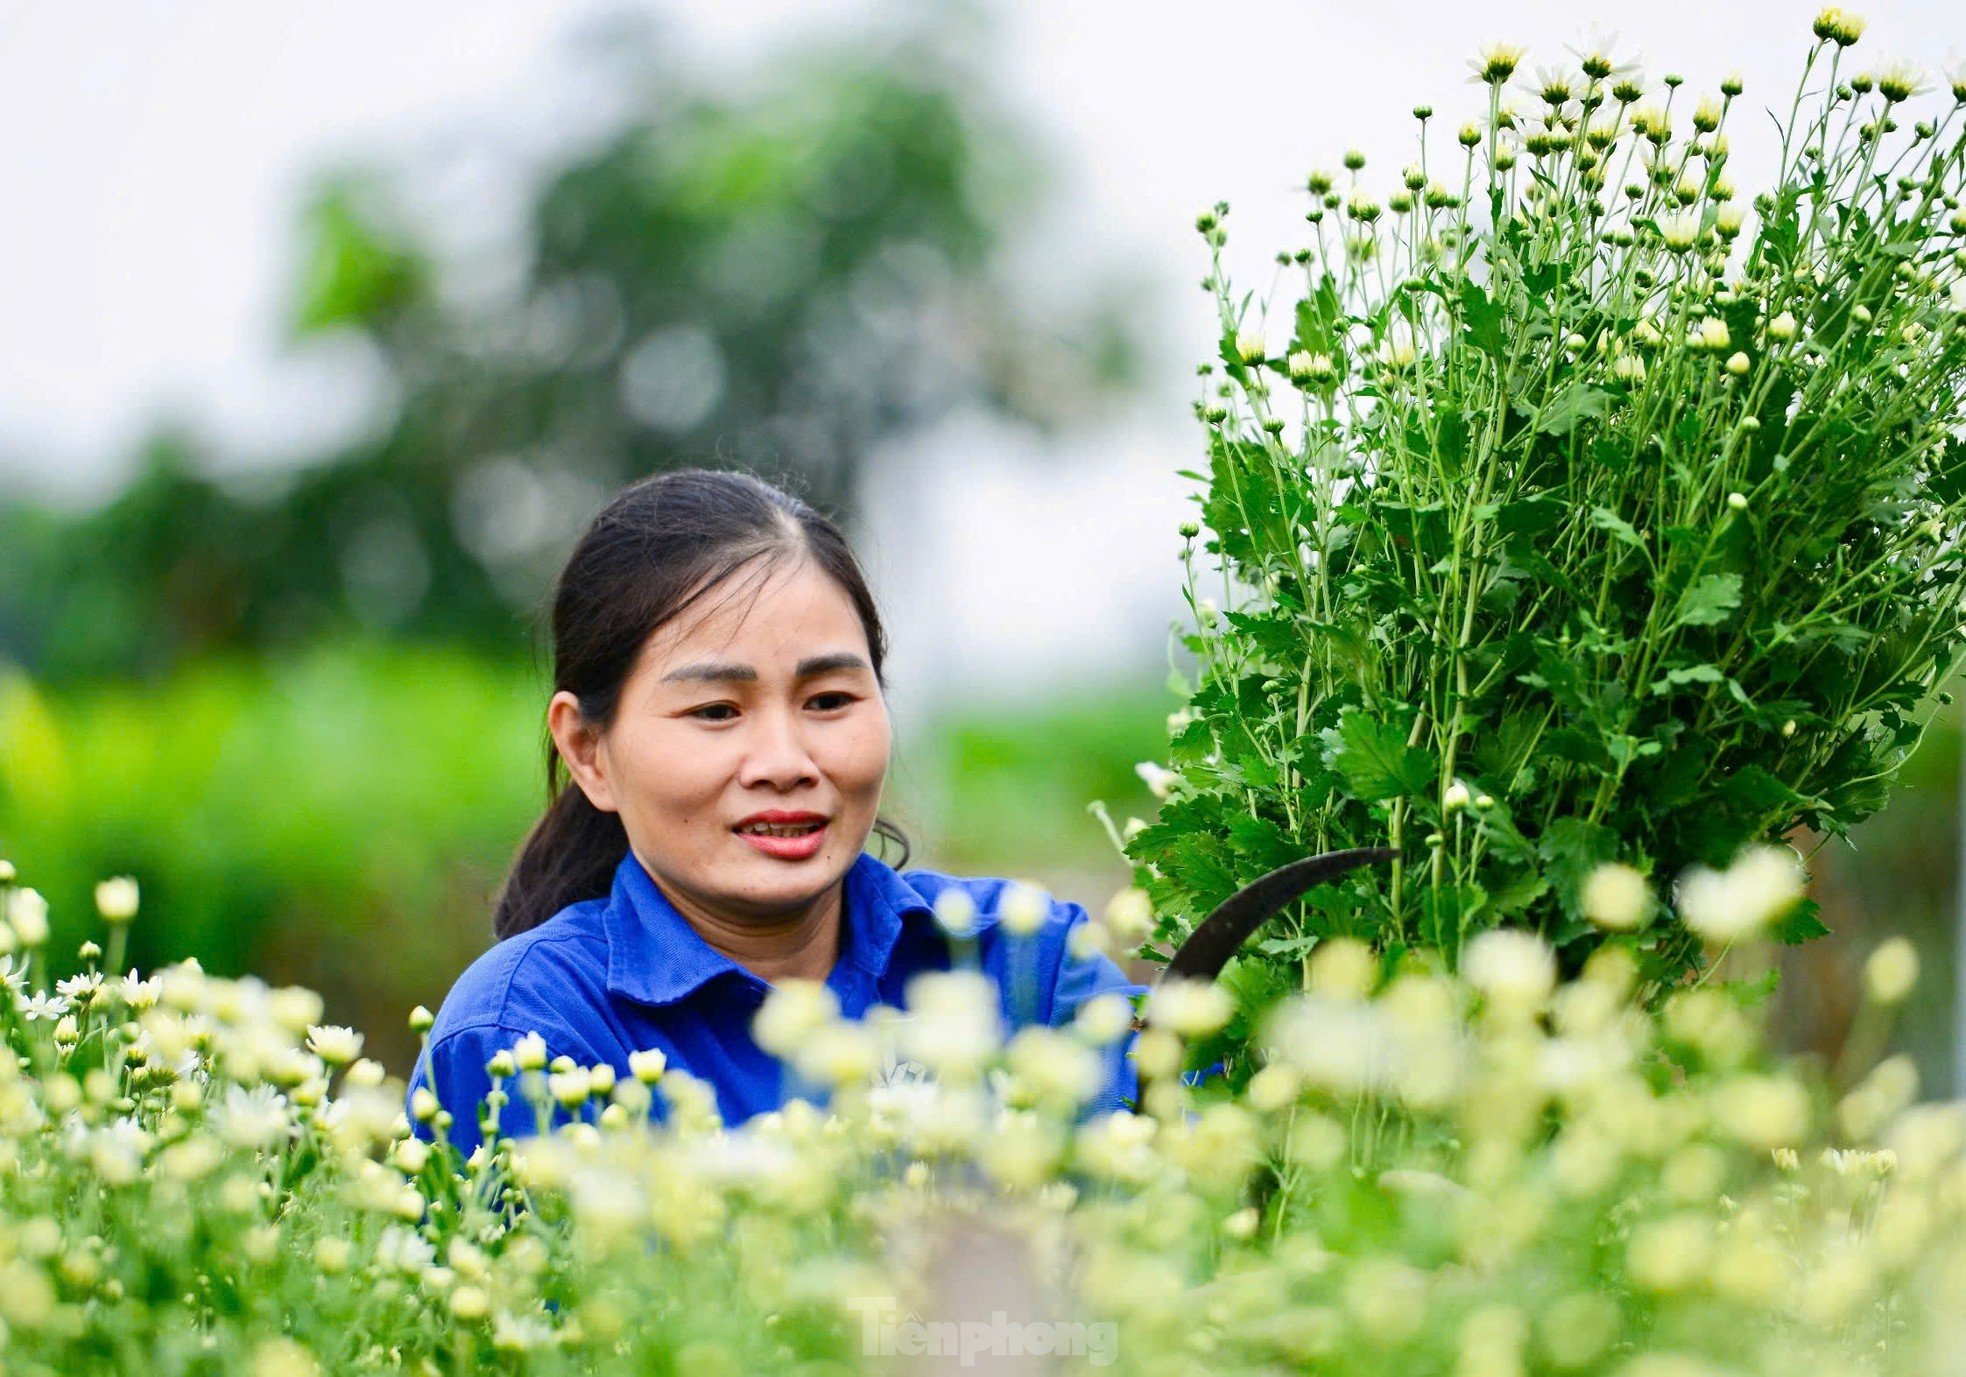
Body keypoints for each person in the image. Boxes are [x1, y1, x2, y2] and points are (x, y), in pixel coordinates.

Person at [405, 468, 1146, 1161]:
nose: (786, 761)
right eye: (717, 710)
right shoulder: (530, 1036)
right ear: (589, 749)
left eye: (828, 701)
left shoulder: (1030, 970)